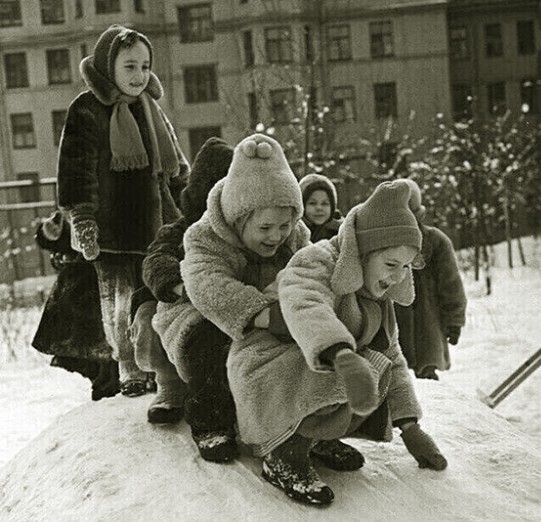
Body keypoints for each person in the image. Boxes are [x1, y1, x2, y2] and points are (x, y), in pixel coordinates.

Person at [209, 179, 448, 505]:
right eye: (391, 264)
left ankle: (312, 439)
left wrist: (410, 427)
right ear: (365, 251)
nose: (397, 276)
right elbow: (304, 301)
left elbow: (392, 353)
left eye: (405, 267)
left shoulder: (377, 295)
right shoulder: (318, 260)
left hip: (312, 368)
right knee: (350, 372)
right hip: (264, 366)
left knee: (379, 367)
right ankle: (283, 455)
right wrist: (340, 353)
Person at [181, 133, 370, 477]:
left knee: (304, 347)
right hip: (213, 314)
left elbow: (308, 270)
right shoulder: (204, 235)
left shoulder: (296, 235)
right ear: (239, 220)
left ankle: (312, 426)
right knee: (209, 346)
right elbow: (206, 285)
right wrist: (261, 312)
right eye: (265, 227)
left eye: (284, 225)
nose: (276, 235)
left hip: (277, 309)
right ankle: (212, 420)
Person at [57, 24, 189, 397]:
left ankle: (161, 366)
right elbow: (75, 169)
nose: (140, 75)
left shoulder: (151, 109)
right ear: (108, 66)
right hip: (113, 228)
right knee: (119, 303)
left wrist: (191, 206)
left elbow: (177, 166)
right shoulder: (86, 109)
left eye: (145, 66)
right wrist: (82, 217)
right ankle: (129, 367)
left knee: (156, 298)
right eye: (130, 67)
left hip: (159, 226)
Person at [136, 137, 238, 462]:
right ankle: (207, 422)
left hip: (232, 304)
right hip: (186, 307)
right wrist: (178, 285)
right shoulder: (181, 230)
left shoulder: (243, 229)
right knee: (202, 342)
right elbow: (156, 259)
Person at [32, 211, 119, 401]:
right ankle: (102, 374)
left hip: (108, 273)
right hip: (85, 281)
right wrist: (54, 234)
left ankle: (108, 376)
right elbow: (54, 237)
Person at [393, 178, 467, 380]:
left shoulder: (435, 242)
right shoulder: (382, 245)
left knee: (427, 379)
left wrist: (454, 321)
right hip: (393, 326)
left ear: (418, 215)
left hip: (428, 326)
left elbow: (451, 286)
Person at [299, 173, 343, 242]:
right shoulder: (294, 234)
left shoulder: (342, 233)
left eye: (325, 203)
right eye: (312, 203)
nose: (319, 208)